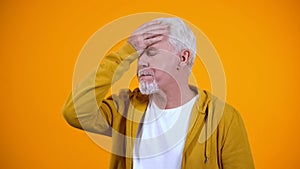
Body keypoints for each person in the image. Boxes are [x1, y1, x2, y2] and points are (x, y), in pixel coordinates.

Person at [62, 17, 255, 169]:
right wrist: (125, 53)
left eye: (152, 52)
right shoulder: (125, 108)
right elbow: (75, 112)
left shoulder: (223, 118)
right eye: (138, 54)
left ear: (183, 57)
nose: (141, 62)